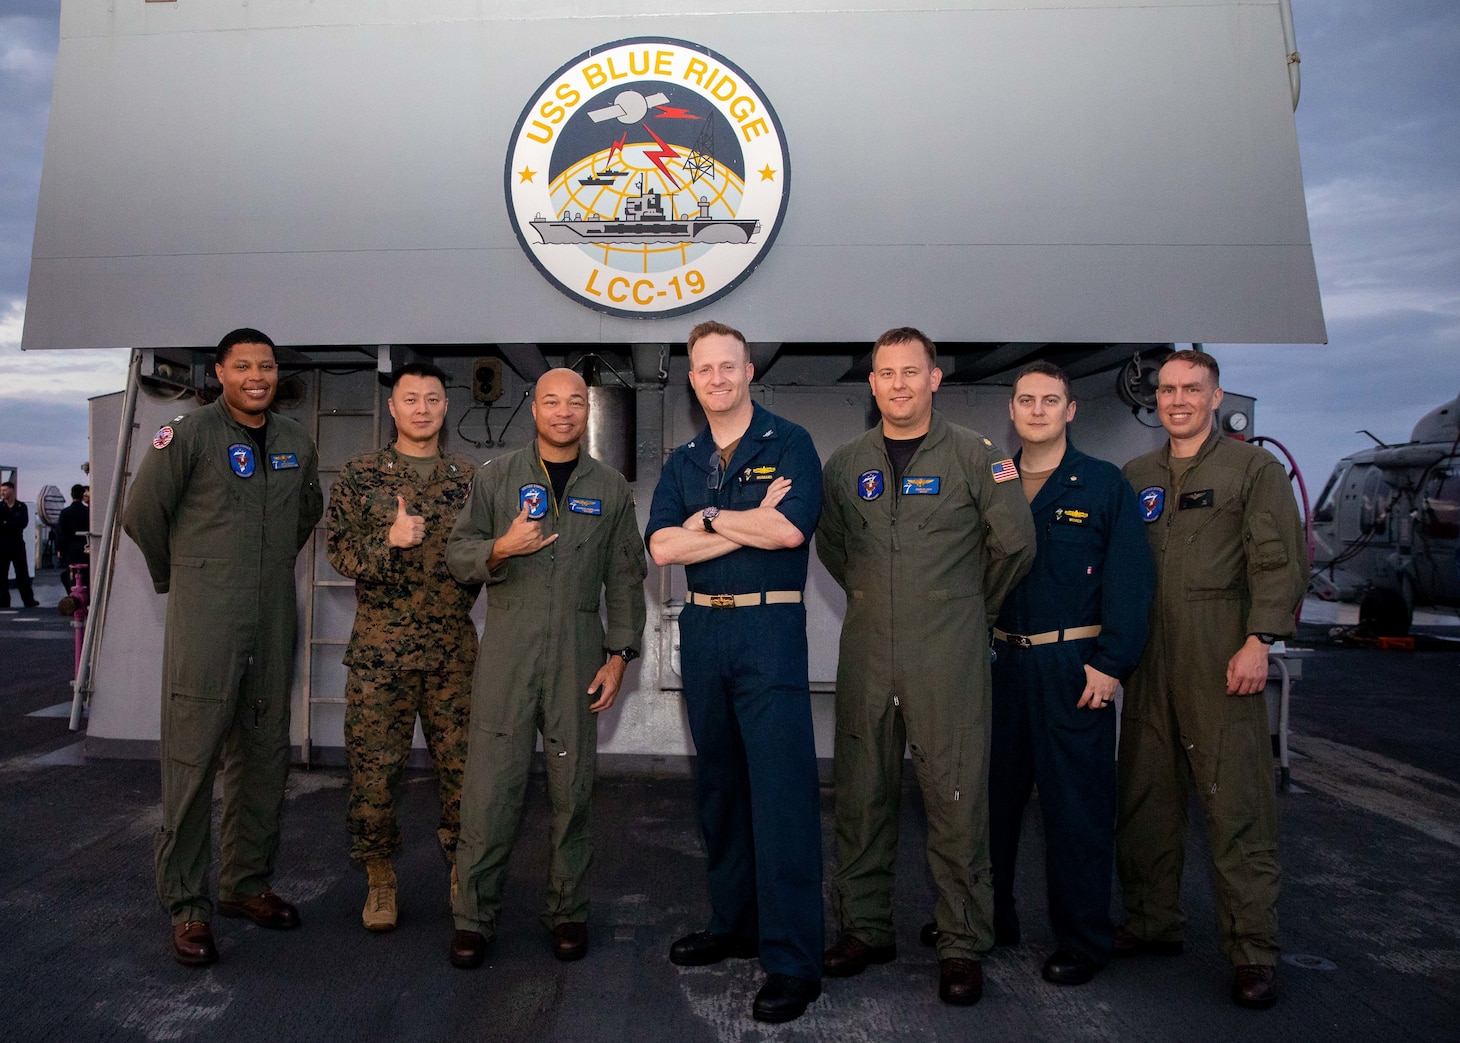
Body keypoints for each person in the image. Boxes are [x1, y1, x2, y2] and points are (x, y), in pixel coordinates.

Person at [816, 327, 1035, 1006]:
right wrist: (882, 597)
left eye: (913, 372)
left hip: (950, 655)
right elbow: (835, 546)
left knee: (955, 796)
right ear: (873, 383)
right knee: (860, 791)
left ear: (935, 379)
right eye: (887, 373)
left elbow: (1016, 546)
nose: (900, 384)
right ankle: (865, 927)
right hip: (868, 653)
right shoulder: (847, 463)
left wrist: (967, 608)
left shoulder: (977, 456)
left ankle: (963, 940)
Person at [122, 327, 322, 967]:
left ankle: (245, 886)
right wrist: (182, 578)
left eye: (265, 366)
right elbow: (141, 514)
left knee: (263, 757)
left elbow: (305, 513)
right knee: (191, 759)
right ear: (220, 372)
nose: (256, 376)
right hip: (205, 618)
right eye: (243, 366)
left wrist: (262, 569)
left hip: (270, 616)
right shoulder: (188, 436)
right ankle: (187, 906)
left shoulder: (295, 442)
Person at [645, 321, 825, 1024]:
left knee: (779, 795)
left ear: (749, 370)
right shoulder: (684, 457)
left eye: (728, 365)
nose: (716, 377)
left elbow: (788, 531)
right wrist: (743, 517)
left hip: (768, 627)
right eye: (703, 369)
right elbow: (661, 546)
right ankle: (734, 923)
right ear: (691, 380)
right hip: (706, 629)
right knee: (720, 787)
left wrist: (711, 519)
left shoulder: (791, 443)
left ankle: (792, 960)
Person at [1116, 349, 1307, 1009]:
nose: (1177, 400)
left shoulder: (1252, 469)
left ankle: (1252, 950)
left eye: (1191, 388)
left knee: (1237, 808)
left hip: (1220, 654)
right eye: (1167, 389)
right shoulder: (1136, 475)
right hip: (1148, 658)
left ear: (1215, 393)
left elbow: (1277, 558)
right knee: (1145, 797)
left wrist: (1260, 639)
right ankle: (1149, 922)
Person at [446, 367, 646, 969]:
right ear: (533, 408)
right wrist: (501, 548)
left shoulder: (609, 488)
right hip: (508, 649)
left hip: (578, 655)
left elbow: (626, 577)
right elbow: (459, 556)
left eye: (575, 403)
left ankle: (567, 913)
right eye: (552, 402)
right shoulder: (496, 478)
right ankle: (473, 919)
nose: (563, 412)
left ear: (587, 412)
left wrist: (618, 657)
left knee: (573, 792)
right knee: (489, 792)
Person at [986, 361, 1153, 986]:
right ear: (1012, 410)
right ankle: (991, 917)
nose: (1036, 410)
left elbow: (1131, 583)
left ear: (1070, 410)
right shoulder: (994, 483)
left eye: (1049, 400)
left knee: (1075, 809)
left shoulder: (1102, 484)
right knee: (991, 803)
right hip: (1002, 662)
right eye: (1025, 400)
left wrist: (1111, 665)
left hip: (1072, 667)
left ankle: (1083, 938)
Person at [326, 362, 480, 932]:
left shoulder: (469, 480)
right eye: (410, 398)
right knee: (372, 776)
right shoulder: (361, 475)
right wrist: (387, 543)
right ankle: (380, 880)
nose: (421, 408)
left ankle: (464, 873)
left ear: (446, 406)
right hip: (380, 656)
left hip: (452, 655)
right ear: (392, 408)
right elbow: (338, 551)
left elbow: (484, 558)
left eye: (432, 398)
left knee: (465, 775)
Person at [1, 480, 40, 608]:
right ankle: (3, 600)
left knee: (22, 573)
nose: (2, 493)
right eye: (1, 490)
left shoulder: (21, 507)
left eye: (5, 490)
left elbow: (23, 523)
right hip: (3, 545)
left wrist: (7, 523)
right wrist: (10, 524)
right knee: (2, 574)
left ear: (12, 491)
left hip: (17, 544)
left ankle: (28, 599)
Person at [56, 484, 91, 593]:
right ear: (82, 495)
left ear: (71, 495)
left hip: (70, 549)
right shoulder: (88, 512)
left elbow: (61, 533)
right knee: (86, 574)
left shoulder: (65, 513)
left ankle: (72, 597)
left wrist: (59, 550)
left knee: (71, 574)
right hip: (86, 547)